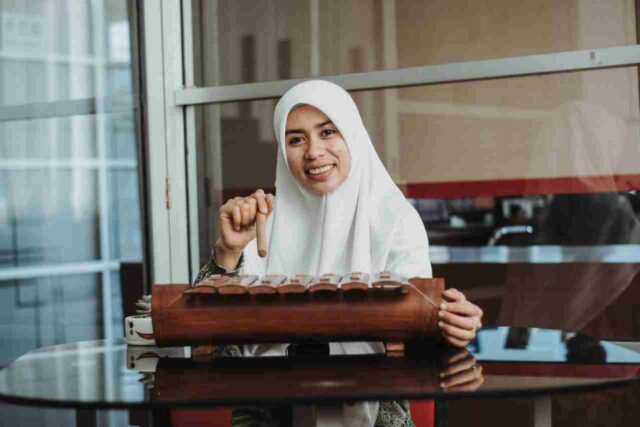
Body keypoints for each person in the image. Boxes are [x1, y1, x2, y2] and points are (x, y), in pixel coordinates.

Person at [194, 80, 483, 426]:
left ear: (352, 135)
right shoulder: (262, 222)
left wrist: (450, 327)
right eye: (296, 139)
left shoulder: (395, 220)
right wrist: (228, 251)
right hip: (268, 413)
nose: (313, 151)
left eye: (328, 132)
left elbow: (418, 340)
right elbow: (211, 345)